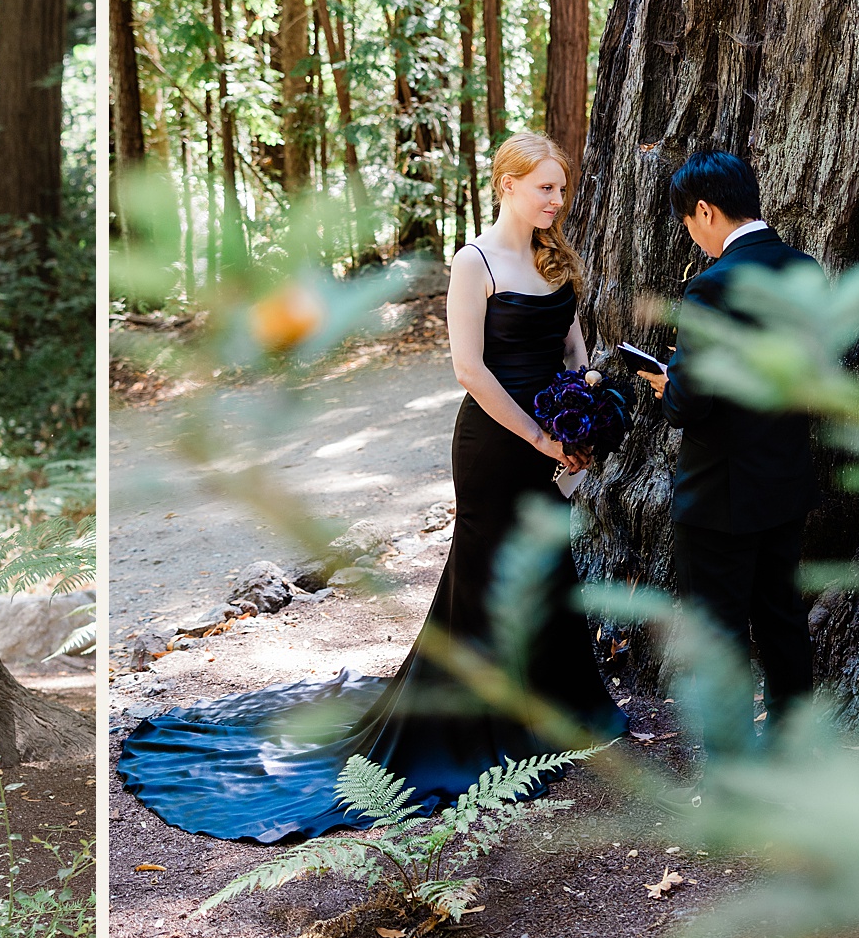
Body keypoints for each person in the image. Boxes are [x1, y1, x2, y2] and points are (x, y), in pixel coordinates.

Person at [117, 132, 626, 844]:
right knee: (482, 577)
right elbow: (470, 371)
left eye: (562, 189)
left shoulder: (552, 258)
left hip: (550, 442)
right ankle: (471, 730)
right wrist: (543, 438)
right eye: (545, 186)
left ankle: (552, 707)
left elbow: (573, 351)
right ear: (507, 183)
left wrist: (582, 424)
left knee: (546, 565)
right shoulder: (473, 262)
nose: (557, 200)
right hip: (494, 444)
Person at [636, 151, 821, 724]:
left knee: (718, 631)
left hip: (720, 495)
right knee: (782, 618)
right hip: (785, 479)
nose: (693, 237)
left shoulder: (710, 286)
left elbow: (689, 405)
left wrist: (669, 384)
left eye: (689, 225)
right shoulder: (804, 270)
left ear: (705, 210)